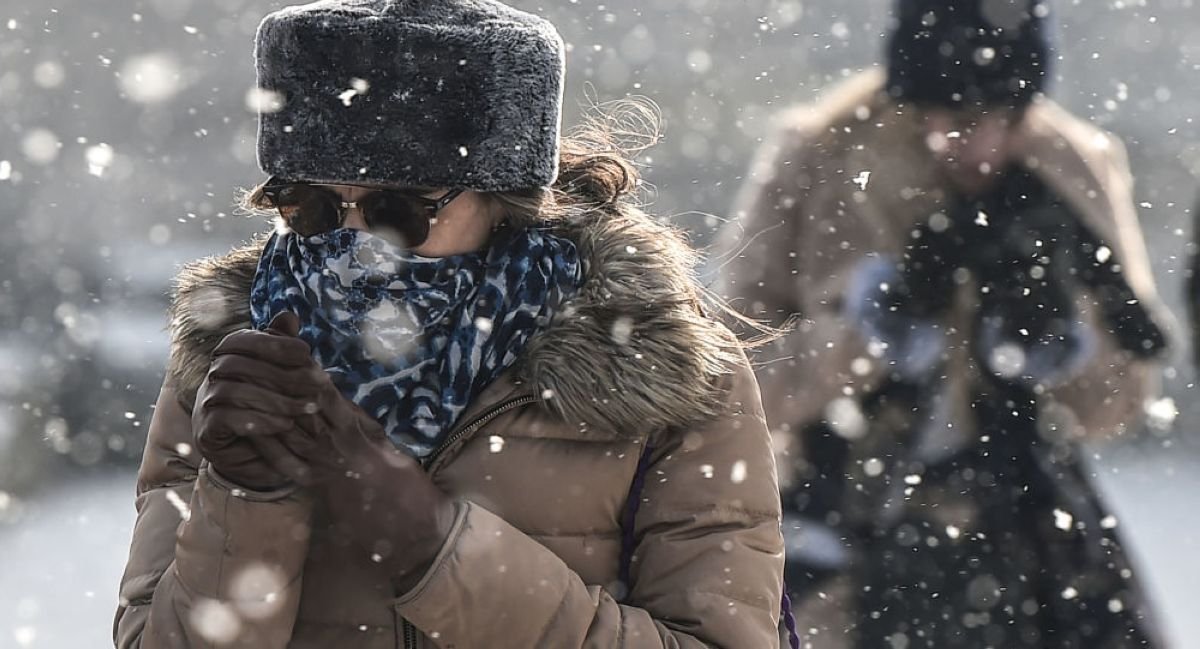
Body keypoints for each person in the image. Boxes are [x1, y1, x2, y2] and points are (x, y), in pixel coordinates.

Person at [114, 1, 785, 647]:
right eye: (311, 206)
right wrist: (246, 496)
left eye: (399, 210)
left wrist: (433, 548)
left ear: (505, 199)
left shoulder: (666, 372)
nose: (357, 248)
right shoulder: (236, 353)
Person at [718, 0, 1172, 647]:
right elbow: (729, 378)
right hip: (844, 527)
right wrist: (857, 338)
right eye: (951, 115)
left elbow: (1121, 400)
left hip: (1027, 546)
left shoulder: (1072, 167)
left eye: (1001, 118)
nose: (973, 143)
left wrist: (1062, 348)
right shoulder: (822, 153)